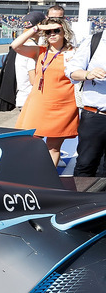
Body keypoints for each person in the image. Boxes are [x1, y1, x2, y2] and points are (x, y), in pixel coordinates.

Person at [13, 17, 78, 166]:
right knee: (28, 143)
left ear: (64, 31)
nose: (52, 34)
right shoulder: (39, 51)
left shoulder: (75, 53)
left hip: (64, 105)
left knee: (54, 147)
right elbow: (15, 45)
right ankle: (29, 176)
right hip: (39, 104)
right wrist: (37, 29)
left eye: (56, 30)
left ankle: (47, 181)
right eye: (49, 32)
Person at [66, 30, 106, 176]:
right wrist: (88, 74)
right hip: (95, 116)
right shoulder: (94, 41)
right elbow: (71, 70)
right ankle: (80, 199)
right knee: (85, 165)